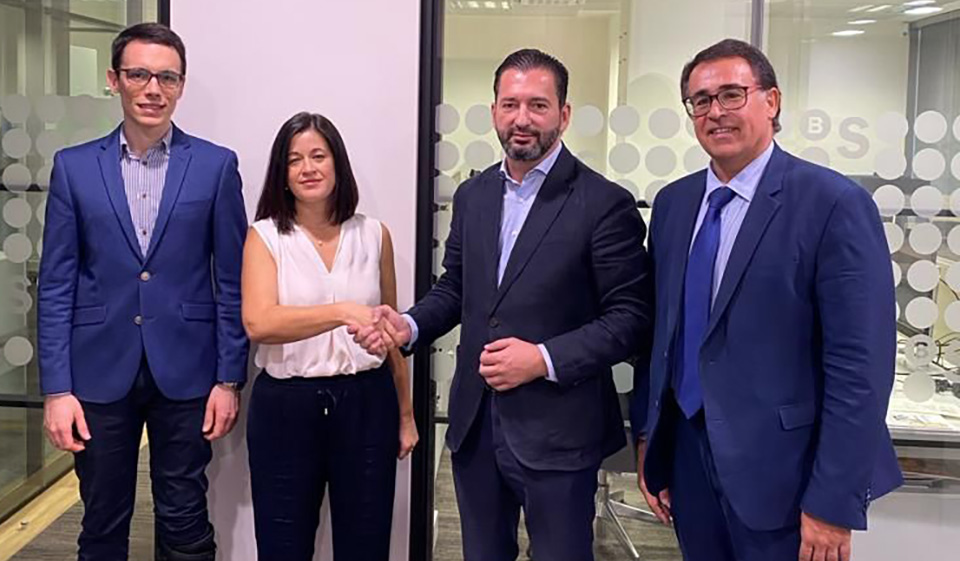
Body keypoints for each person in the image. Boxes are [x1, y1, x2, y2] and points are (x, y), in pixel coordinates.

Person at [353, 49, 652, 561]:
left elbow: (630, 319)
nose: (522, 118)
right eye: (510, 104)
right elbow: (456, 288)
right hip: (476, 427)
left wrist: (542, 358)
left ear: (564, 114)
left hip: (560, 436)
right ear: (494, 110)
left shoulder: (604, 203)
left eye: (538, 105)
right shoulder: (473, 196)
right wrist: (408, 325)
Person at [630, 38, 903, 561]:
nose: (715, 112)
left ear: (771, 101)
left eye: (732, 94)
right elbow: (661, 336)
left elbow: (860, 367)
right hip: (688, 458)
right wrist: (650, 437)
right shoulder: (673, 205)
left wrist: (834, 501)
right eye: (701, 100)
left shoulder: (833, 204)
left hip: (787, 476)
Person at [38, 22, 248, 561]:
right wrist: (57, 390)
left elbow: (231, 281)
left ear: (180, 86)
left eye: (166, 78)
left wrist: (229, 378)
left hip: (189, 369)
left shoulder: (216, 166)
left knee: (184, 517)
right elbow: (57, 285)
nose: (153, 89)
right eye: (139, 75)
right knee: (102, 519)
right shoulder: (73, 167)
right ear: (115, 80)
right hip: (97, 370)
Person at [241, 112, 418, 561]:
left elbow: (390, 333)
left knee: (366, 545)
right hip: (286, 407)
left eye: (318, 156)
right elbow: (260, 323)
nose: (308, 168)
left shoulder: (374, 234)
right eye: (294, 159)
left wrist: (406, 414)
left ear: (337, 163)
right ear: (282, 174)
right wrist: (341, 312)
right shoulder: (265, 236)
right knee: (283, 547)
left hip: (367, 402)